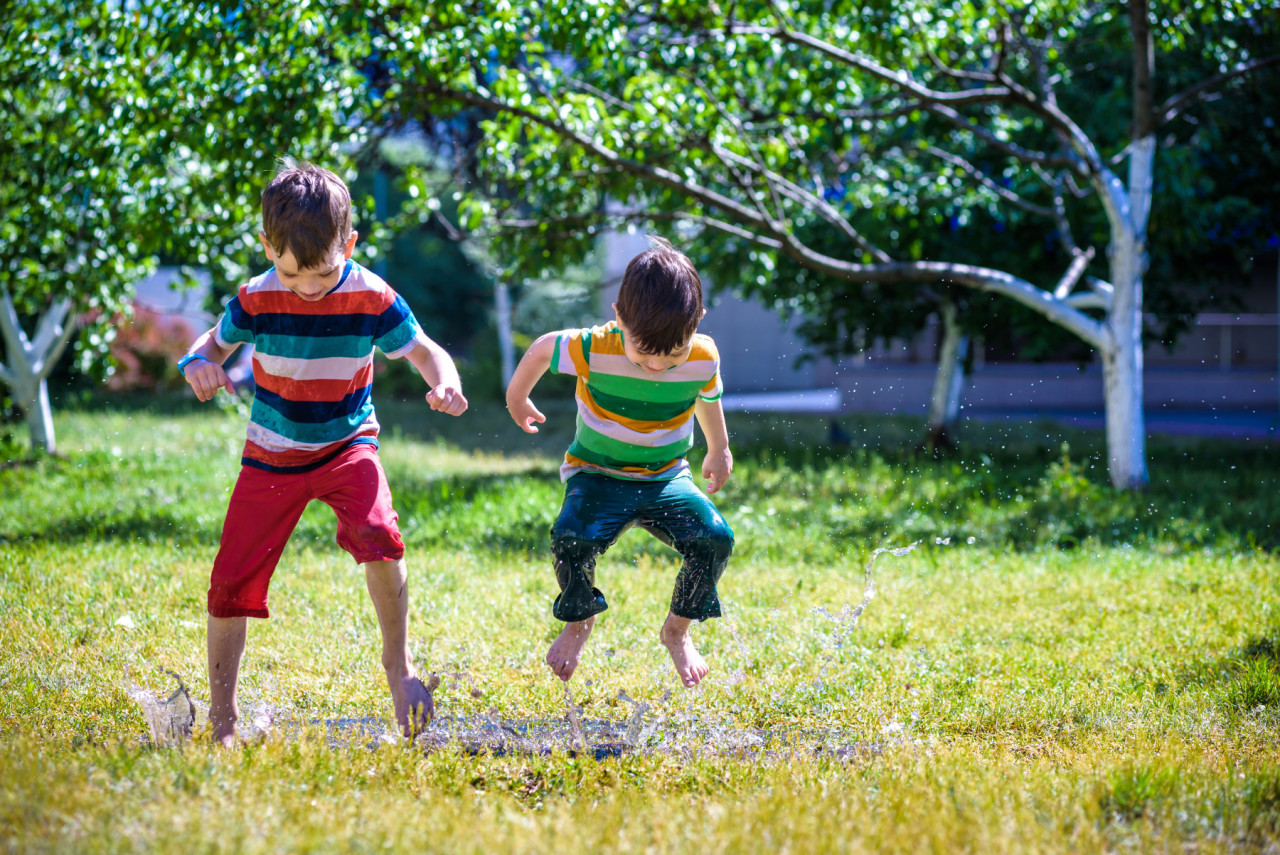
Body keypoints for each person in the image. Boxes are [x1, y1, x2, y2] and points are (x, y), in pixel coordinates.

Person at [177, 163, 467, 745]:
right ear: (267, 247)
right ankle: (223, 719)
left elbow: (428, 351)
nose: (308, 287)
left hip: (347, 444)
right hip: (272, 453)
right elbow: (205, 346)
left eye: (324, 273)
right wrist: (198, 365)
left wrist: (446, 381)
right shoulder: (256, 297)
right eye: (292, 273)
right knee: (231, 581)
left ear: (349, 245)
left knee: (381, 537)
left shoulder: (370, 294)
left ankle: (400, 672)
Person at [505, 237, 734, 688]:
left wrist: (718, 447)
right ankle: (579, 621)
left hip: (666, 478)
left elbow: (708, 397)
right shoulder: (594, 348)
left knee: (714, 538)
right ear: (618, 317)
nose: (655, 366)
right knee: (572, 537)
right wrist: (517, 396)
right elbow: (542, 348)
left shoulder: (703, 356)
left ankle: (677, 631)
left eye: (671, 355)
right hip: (597, 476)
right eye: (643, 352)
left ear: (697, 324)